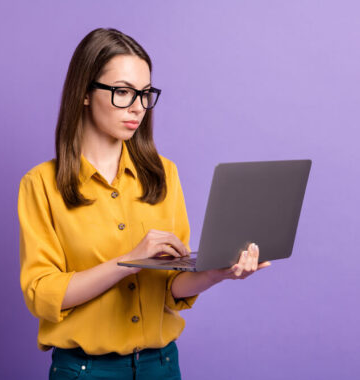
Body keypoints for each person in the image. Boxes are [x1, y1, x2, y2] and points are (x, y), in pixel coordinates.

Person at [17, 27, 271, 380]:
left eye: (145, 94)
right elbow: (43, 294)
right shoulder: (41, 184)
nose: (138, 107)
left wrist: (215, 273)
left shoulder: (165, 174)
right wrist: (129, 262)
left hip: (162, 366)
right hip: (85, 370)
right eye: (122, 92)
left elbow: (170, 289)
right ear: (85, 93)